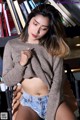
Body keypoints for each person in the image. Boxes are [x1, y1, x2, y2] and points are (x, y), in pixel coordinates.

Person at [2, 4, 76, 120]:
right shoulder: (12, 45)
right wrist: (21, 64)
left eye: (44, 28)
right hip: (28, 102)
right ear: (29, 19)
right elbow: (8, 81)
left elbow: (57, 84)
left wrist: (50, 116)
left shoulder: (52, 47)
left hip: (53, 99)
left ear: (48, 30)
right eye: (35, 24)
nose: (37, 31)